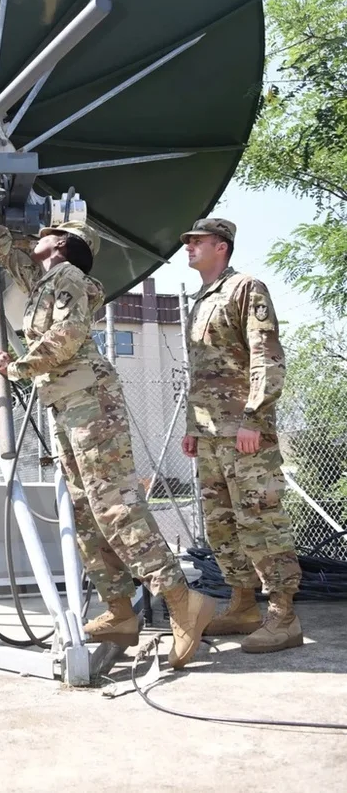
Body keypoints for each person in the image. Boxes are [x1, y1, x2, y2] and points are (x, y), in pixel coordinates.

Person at [0, 188, 215, 669]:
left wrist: (18, 366)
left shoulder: (69, 277)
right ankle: (119, 611)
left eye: (46, 233)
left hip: (91, 402)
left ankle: (182, 600)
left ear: (61, 245)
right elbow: (7, 252)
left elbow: (68, 335)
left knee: (115, 506)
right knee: (86, 513)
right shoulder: (45, 281)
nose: (37, 235)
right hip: (67, 404)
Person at [181, 218, 303, 653]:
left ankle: (283, 616)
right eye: (189, 242)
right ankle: (243, 604)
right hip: (212, 434)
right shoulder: (201, 300)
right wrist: (193, 427)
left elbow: (267, 356)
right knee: (222, 525)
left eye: (198, 241)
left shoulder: (246, 288)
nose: (189, 247)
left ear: (222, 246)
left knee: (260, 520)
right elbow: (201, 373)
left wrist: (254, 417)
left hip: (244, 432)